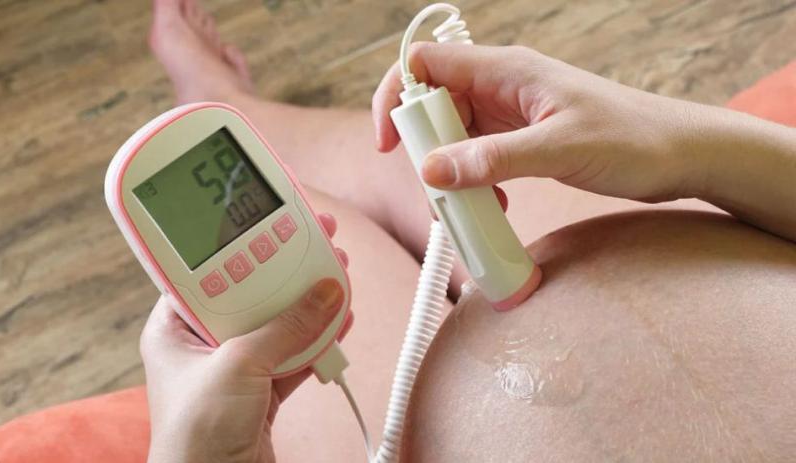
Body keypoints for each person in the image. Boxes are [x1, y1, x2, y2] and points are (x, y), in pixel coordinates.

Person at [143, 0, 796, 461]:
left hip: (401, 430)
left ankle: (218, 101)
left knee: (292, 212)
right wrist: (686, 147)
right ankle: (228, 103)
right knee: (417, 151)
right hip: (673, 241)